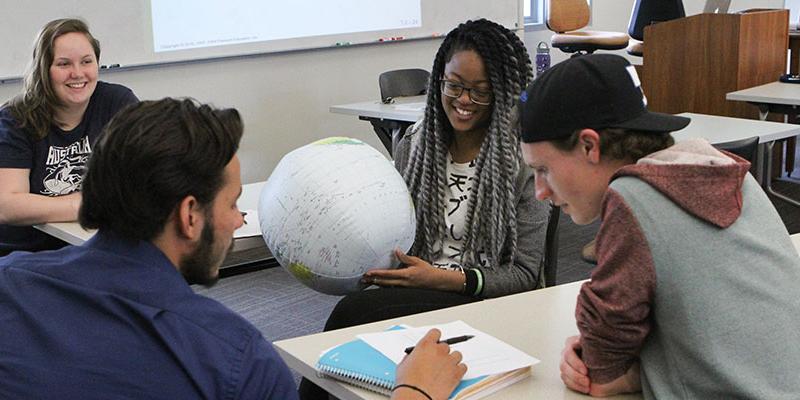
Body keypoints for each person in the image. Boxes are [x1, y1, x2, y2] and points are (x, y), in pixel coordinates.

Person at [0, 97, 467, 400]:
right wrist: (415, 392)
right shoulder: (233, 359)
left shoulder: (11, 283)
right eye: (231, 202)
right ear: (189, 215)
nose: (239, 219)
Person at [518, 54, 800, 398]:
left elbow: (601, 373)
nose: (539, 190)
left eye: (543, 169)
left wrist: (611, 363)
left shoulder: (633, 196)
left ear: (590, 145)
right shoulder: (727, 171)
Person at [300, 17, 550, 400]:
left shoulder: (523, 161)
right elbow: (396, 229)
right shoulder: (416, 144)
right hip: (419, 288)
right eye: (454, 86)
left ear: (503, 92)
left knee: (352, 315)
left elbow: (526, 275)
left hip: (485, 298)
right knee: (352, 335)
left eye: (480, 91)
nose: (464, 101)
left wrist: (445, 279)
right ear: (439, 80)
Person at [0, 18, 138, 255]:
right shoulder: (15, 119)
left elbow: (147, 171)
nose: (77, 73)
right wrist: (84, 204)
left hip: (94, 244)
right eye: (64, 64)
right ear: (44, 70)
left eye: (87, 61)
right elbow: (7, 205)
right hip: (25, 255)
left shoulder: (117, 103)